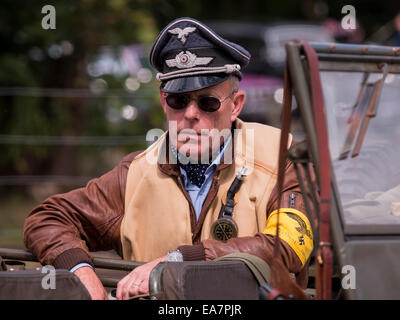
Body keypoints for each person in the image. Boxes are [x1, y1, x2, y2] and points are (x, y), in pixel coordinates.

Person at [23, 17, 315, 300]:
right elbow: (48, 218)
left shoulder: (283, 158)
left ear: (235, 105)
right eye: (179, 100)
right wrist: (80, 272)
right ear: (164, 102)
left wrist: (179, 260)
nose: (190, 114)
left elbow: (290, 244)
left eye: (208, 102)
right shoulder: (135, 173)